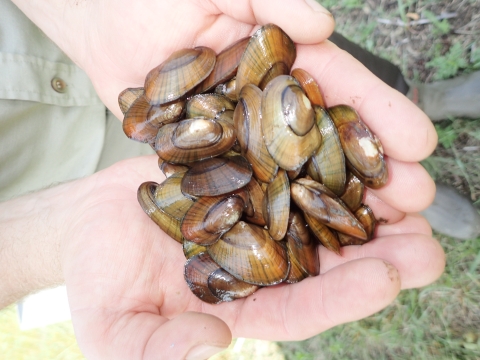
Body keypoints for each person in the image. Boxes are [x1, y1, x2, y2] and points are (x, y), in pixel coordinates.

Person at [0, 0, 445, 359]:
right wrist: (60, 229)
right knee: (358, 176)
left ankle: (415, 103)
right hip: (113, 172)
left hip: (105, 44)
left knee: (365, 94)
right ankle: (406, 194)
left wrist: (83, 14)